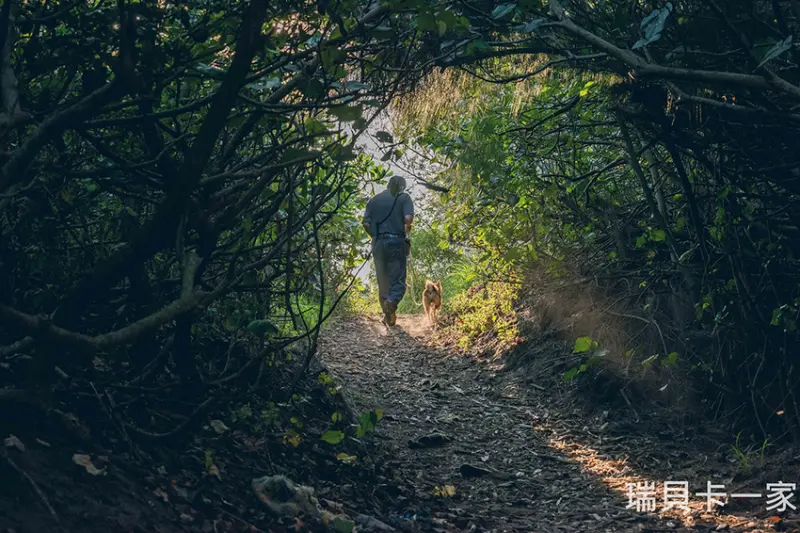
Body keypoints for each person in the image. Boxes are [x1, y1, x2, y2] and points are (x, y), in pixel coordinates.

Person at [362, 175, 414, 326]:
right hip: (396, 241)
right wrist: (406, 226)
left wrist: (375, 234)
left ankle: (388, 317)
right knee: (398, 280)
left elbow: (365, 222)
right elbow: (408, 219)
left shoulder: (374, 200)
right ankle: (391, 301)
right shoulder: (404, 198)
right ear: (401, 187)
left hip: (378, 244)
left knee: (383, 281)